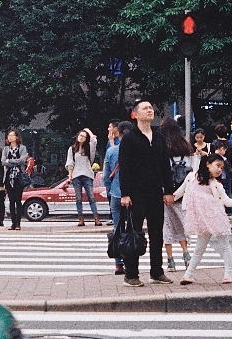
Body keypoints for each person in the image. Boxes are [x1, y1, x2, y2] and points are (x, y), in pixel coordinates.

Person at [118, 100, 175, 287]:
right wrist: (125, 194)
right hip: (135, 193)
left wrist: (168, 191)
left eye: (151, 107)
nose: (150, 110)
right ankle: (131, 275)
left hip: (155, 192)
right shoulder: (129, 138)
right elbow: (124, 168)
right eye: (145, 108)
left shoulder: (158, 137)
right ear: (135, 114)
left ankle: (156, 272)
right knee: (134, 232)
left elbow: (165, 166)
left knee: (157, 233)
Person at [174, 154, 232, 284]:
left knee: (224, 245)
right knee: (199, 248)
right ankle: (188, 275)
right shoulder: (192, 177)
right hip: (202, 219)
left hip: (216, 218)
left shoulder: (216, 184)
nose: (220, 170)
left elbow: (226, 201)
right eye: (217, 166)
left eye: (222, 168)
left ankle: (228, 274)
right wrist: (168, 198)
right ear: (208, 164)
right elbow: (180, 191)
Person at [159, 117, 194, 272]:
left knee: (166, 225)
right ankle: (186, 255)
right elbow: (192, 170)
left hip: (165, 192)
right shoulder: (186, 147)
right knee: (181, 224)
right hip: (182, 192)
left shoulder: (162, 147)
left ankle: (170, 260)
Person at [103, 120, 133, 275]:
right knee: (132, 228)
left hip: (115, 193)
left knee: (117, 228)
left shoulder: (112, 151)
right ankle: (131, 262)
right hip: (134, 196)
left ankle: (118, 263)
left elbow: (106, 176)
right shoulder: (138, 150)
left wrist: (110, 189)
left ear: (118, 134)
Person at [66, 128, 101, 227]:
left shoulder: (89, 148)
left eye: (84, 137)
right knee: (78, 198)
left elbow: (94, 140)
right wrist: (70, 176)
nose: (82, 138)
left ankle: (96, 219)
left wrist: (88, 131)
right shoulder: (72, 149)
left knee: (91, 197)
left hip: (87, 175)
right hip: (76, 176)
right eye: (81, 136)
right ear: (77, 136)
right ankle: (81, 219)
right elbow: (70, 163)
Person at [2, 129, 29, 230]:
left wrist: (10, 160)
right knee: (11, 200)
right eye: (9, 136)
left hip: (18, 177)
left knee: (18, 200)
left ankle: (18, 223)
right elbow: (3, 162)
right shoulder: (6, 149)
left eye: (12, 135)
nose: (10, 137)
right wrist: (14, 162)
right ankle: (13, 222)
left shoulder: (22, 148)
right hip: (9, 177)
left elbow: (22, 161)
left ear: (17, 137)